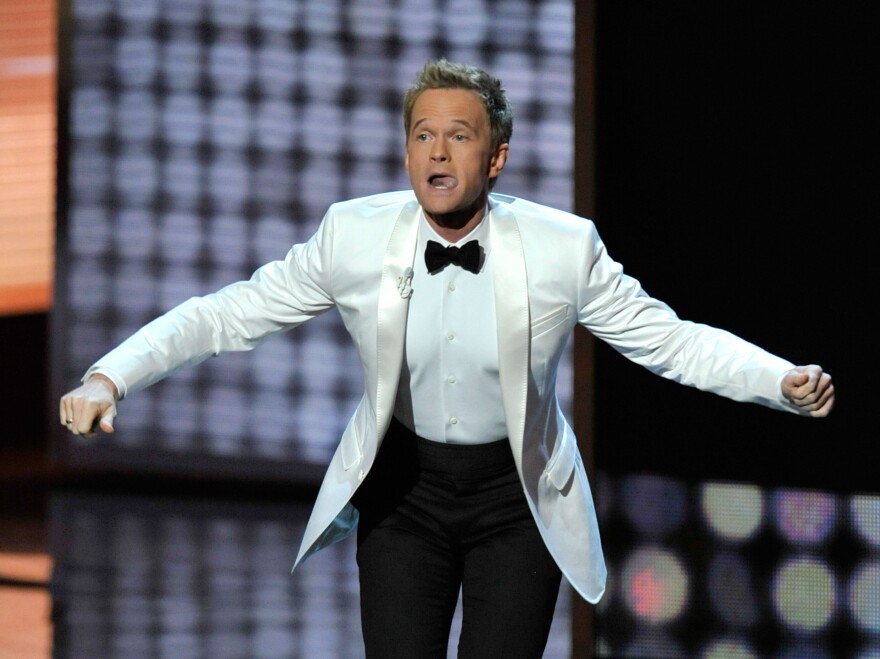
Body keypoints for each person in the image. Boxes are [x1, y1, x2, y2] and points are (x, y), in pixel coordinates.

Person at [59, 59, 834, 658]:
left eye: (458, 135)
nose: (437, 150)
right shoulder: (353, 236)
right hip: (402, 495)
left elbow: (670, 339)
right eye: (422, 134)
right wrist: (110, 372)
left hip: (516, 502)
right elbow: (228, 313)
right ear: (405, 152)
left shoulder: (563, 249)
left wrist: (777, 380)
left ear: (495, 159)